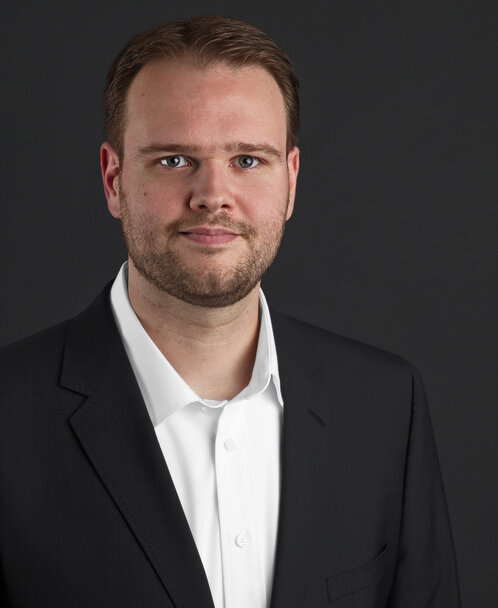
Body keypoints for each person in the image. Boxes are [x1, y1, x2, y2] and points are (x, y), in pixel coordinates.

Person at [0, 15, 460, 608]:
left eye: (247, 160)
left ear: (290, 181)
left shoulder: (387, 406)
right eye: (174, 160)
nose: (213, 195)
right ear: (114, 180)